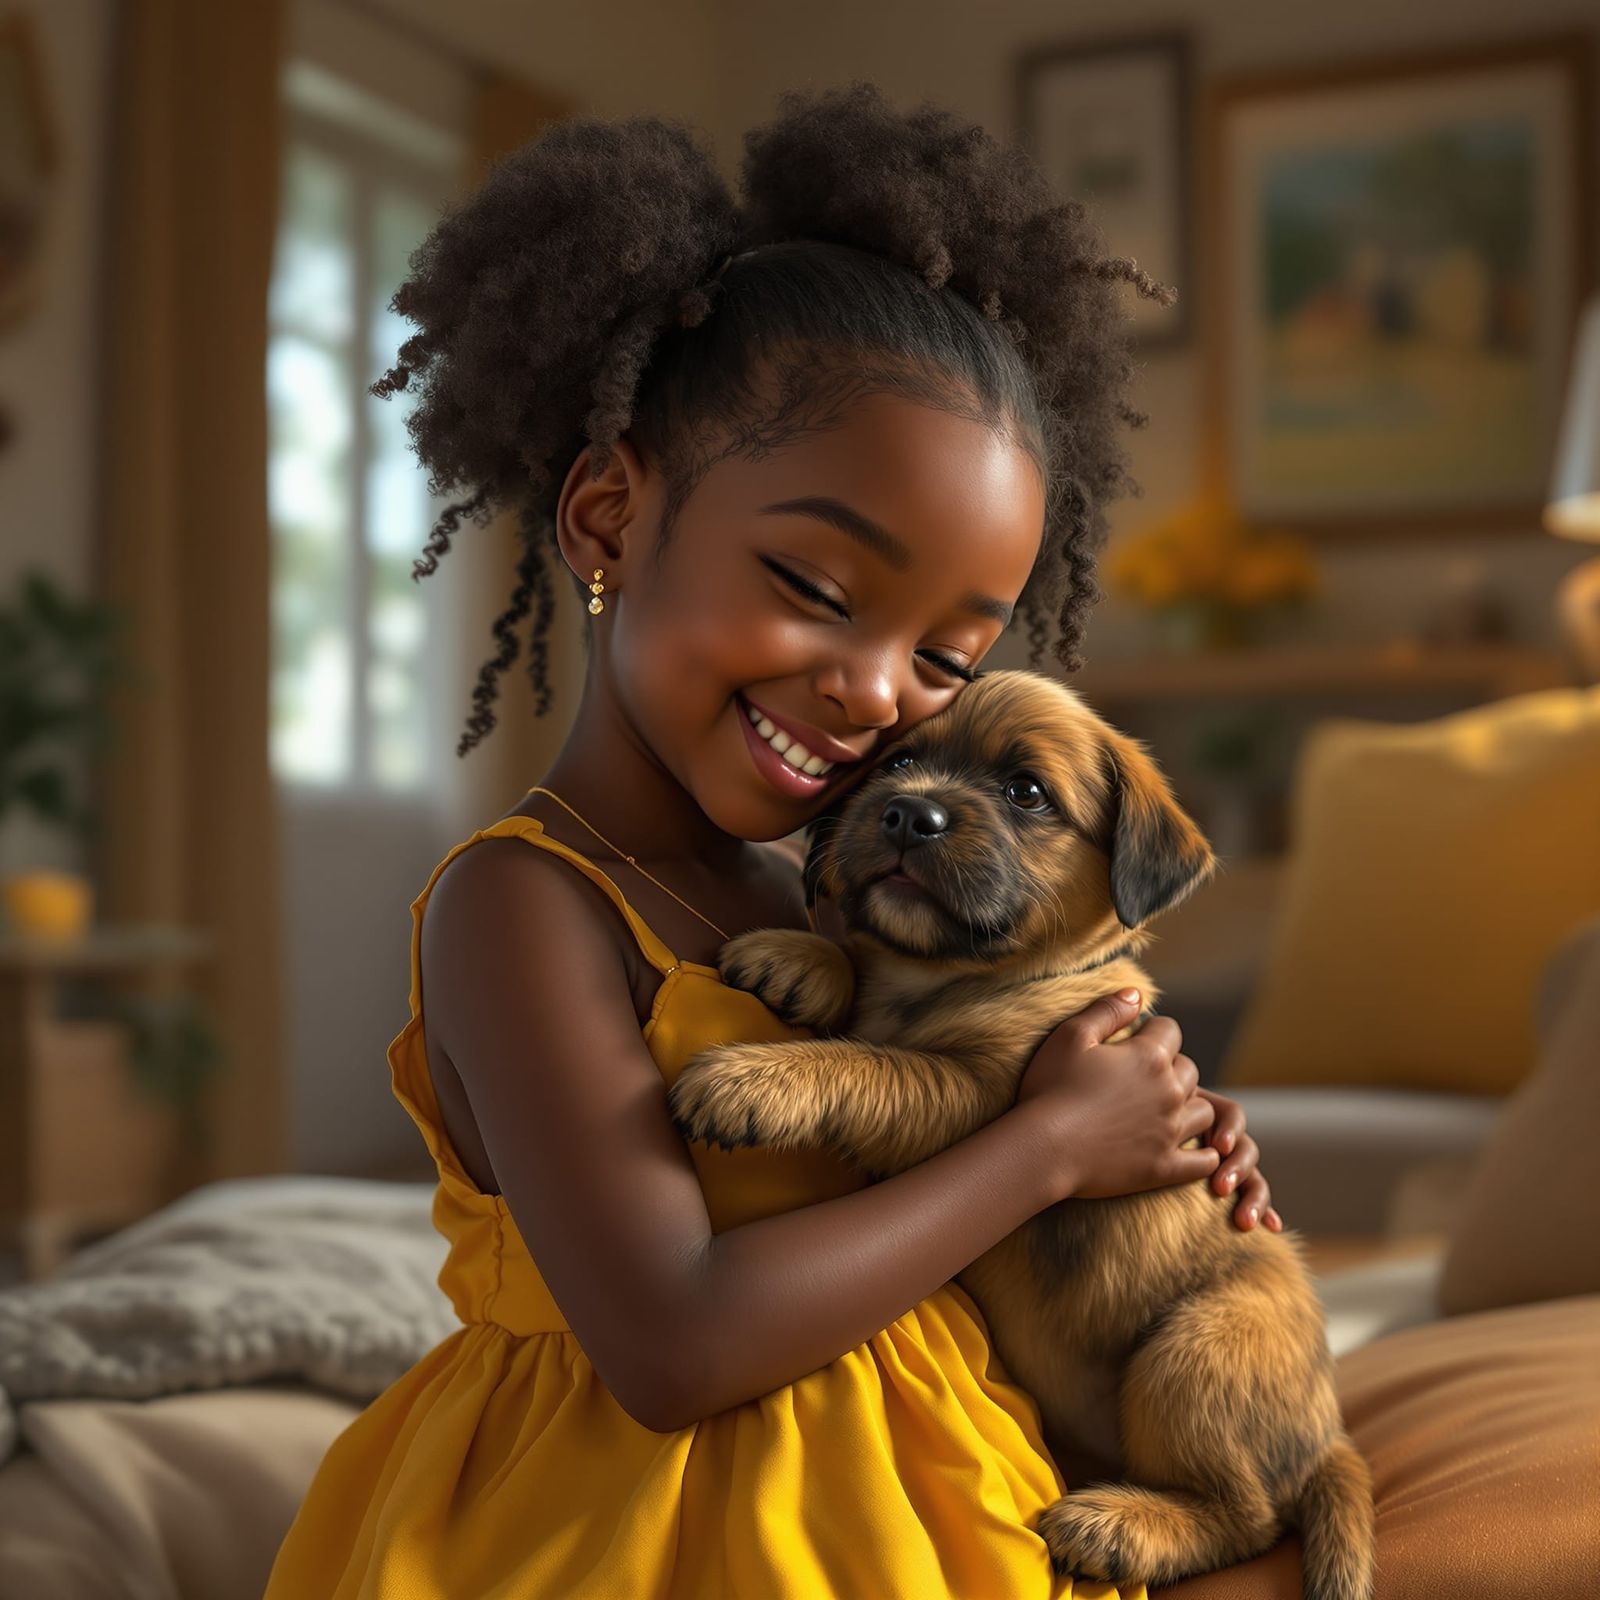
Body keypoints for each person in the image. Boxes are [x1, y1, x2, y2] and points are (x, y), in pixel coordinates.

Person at [264, 81, 1281, 1599]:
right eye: (816, 586)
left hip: (928, 1481)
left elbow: (949, 1110)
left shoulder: (807, 893)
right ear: (607, 518)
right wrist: (1049, 1148)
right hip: (633, 1531)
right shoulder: (519, 907)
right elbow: (677, 1341)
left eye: (946, 656)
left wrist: (1149, 1149)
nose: (876, 690)